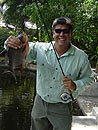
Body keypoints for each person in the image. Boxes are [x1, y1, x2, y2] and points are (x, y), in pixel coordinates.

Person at [5, 17, 95, 130]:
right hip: (40, 103)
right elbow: (19, 49)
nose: (61, 34)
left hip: (62, 106)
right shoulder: (39, 49)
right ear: (53, 32)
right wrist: (9, 43)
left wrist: (76, 85)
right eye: (58, 31)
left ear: (71, 33)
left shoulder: (81, 57)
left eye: (66, 31)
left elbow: (90, 78)